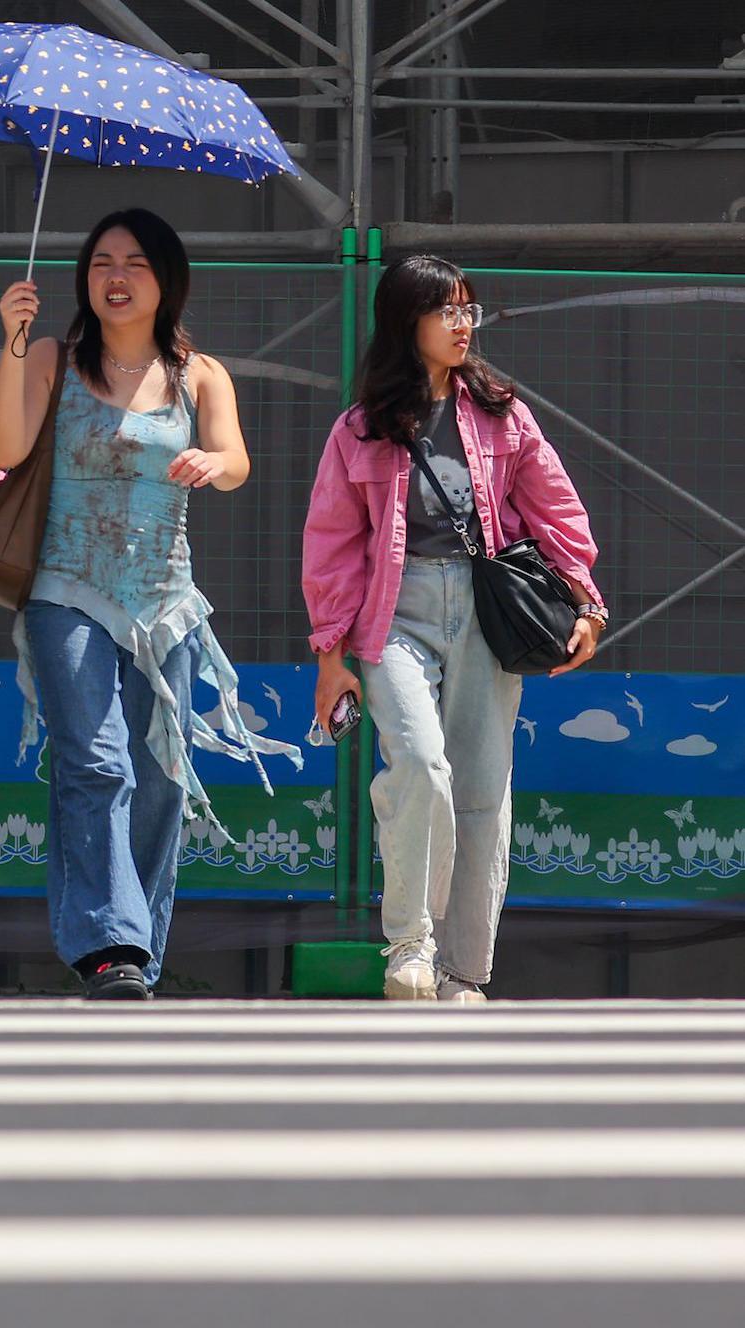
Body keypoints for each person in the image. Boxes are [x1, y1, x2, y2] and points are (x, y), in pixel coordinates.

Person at [0, 208, 297, 1001]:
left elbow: (236, 464)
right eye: (100, 264)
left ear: (166, 281)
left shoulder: (201, 374)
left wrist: (209, 457)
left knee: (158, 777)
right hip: (65, 593)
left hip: (165, 608)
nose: (115, 278)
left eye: (135, 264)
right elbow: (4, 449)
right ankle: (106, 946)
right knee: (94, 764)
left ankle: (136, 957)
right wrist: (14, 342)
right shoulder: (54, 356)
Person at [303, 254, 605, 1002]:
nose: (464, 324)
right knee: (421, 766)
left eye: (470, 309)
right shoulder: (361, 428)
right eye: (448, 311)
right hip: (391, 614)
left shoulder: (504, 411)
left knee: (480, 789)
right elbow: (333, 545)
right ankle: (410, 941)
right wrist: (330, 653)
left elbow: (558, 510)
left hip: (482, 614)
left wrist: (587, 603)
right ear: (408, 322)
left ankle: (463, 973)